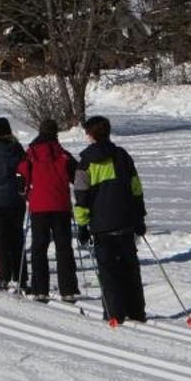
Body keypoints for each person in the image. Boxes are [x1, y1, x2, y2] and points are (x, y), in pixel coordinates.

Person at [72, 114, 146, 326]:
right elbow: (136, 188)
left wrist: (82, 224)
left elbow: (81, 196)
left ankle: (114, 313)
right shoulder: (122, 156)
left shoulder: (85, 163)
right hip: (124, 222)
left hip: (101, 225)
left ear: (90, 135)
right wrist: (139, 216)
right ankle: (136, 311)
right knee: (130, 268)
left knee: (108, 271)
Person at [21, 117, 80, 304]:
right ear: (55, 134)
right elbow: (77, 178)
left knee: (39, 247)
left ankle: (40, 289)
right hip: (61, 205)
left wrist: (25, 192)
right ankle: (68, 289)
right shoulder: (63, 154)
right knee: (64, 247)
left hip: (39, 205)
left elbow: (21, 176)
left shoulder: (30, 153)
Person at [0, 116, 28, 292]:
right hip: (16, 198)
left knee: (0, 239)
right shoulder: (16, 148)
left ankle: (3, 276)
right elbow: (24, 168)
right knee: (17, 237)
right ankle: (21, 276)